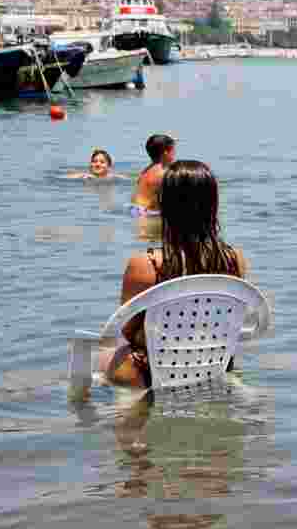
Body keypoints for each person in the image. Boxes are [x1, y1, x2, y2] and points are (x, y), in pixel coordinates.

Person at [99, 160, 250, 387]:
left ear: (164, 205)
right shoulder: (234, 260)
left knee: (100, 354)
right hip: (213, 364)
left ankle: (129, 414)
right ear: (213, 205)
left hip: (150, 370)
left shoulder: (146, 264)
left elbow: (127, 332)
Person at [131, 134, 176, 216]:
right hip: (147, 214)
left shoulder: (146, 170)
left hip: (135, 210)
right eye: (173, 150)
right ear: (166, 153)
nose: (174, 153)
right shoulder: (163, 173)